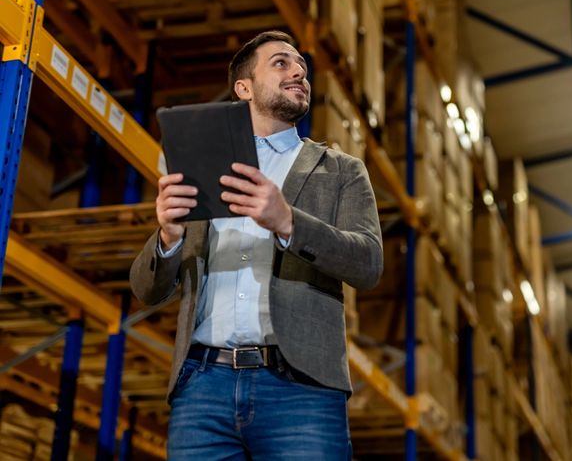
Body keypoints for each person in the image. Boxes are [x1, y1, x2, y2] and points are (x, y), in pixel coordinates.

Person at [130, 30, 383, 459]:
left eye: (301, 65)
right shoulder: (202, 166)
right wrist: (169, 236)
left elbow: (368, 263)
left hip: (301, 389)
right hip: (203, 389)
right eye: (281, 63)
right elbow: (145, 290)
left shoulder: (340, 170)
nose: (298, 71)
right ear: (243, 88)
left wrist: (288, 222)